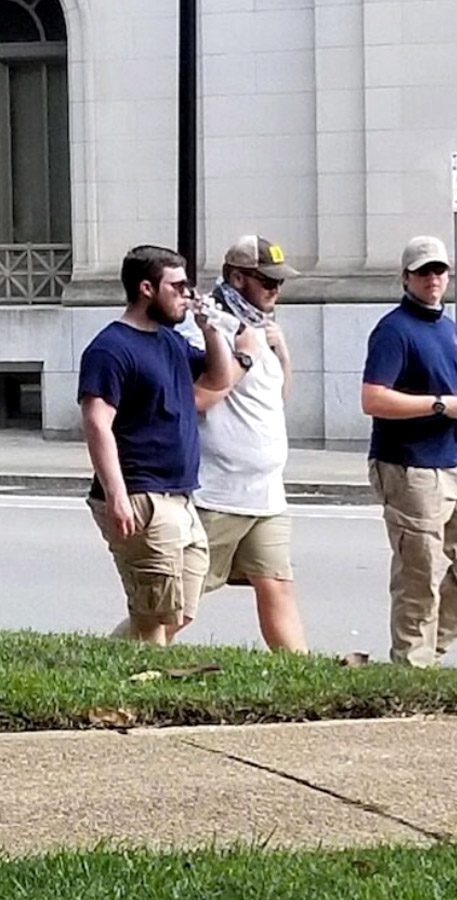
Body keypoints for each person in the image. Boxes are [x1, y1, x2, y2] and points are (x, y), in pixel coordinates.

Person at [361, 235, 457, 667]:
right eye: (423, 271)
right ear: (406, 278)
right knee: (418, 576)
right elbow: (373, 399)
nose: (433, 279)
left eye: (439, 270)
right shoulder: (393, 331)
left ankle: (429, 649)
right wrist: (438, 406)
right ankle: (413, 664)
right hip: (411, 470)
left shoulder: (446, 327)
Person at [78, 244, 231, 646]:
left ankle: (109, 659)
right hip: (141, 494)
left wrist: (210, 328)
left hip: (179, 495)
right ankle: (150, 684)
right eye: (177, 286)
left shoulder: (169, 341)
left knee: (180, 609)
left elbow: (218, 379)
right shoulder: (111, 348)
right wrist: (117, 495)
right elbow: (97, 422)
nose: (187, 294)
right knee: (153, 617)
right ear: (147, 288)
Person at [179, 235, 308, 652]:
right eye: (266, 281)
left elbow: (274, 398)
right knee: (178, 605)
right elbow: (200, 397)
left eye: (279, 282)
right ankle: (118, 658)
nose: (275, 290)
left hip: (266, 493)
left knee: (278, 585)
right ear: (236, 277)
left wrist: (282, 355)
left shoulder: (258, 327)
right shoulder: (208, 325)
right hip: (219, 492)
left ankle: (300, 678)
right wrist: (244, 357)